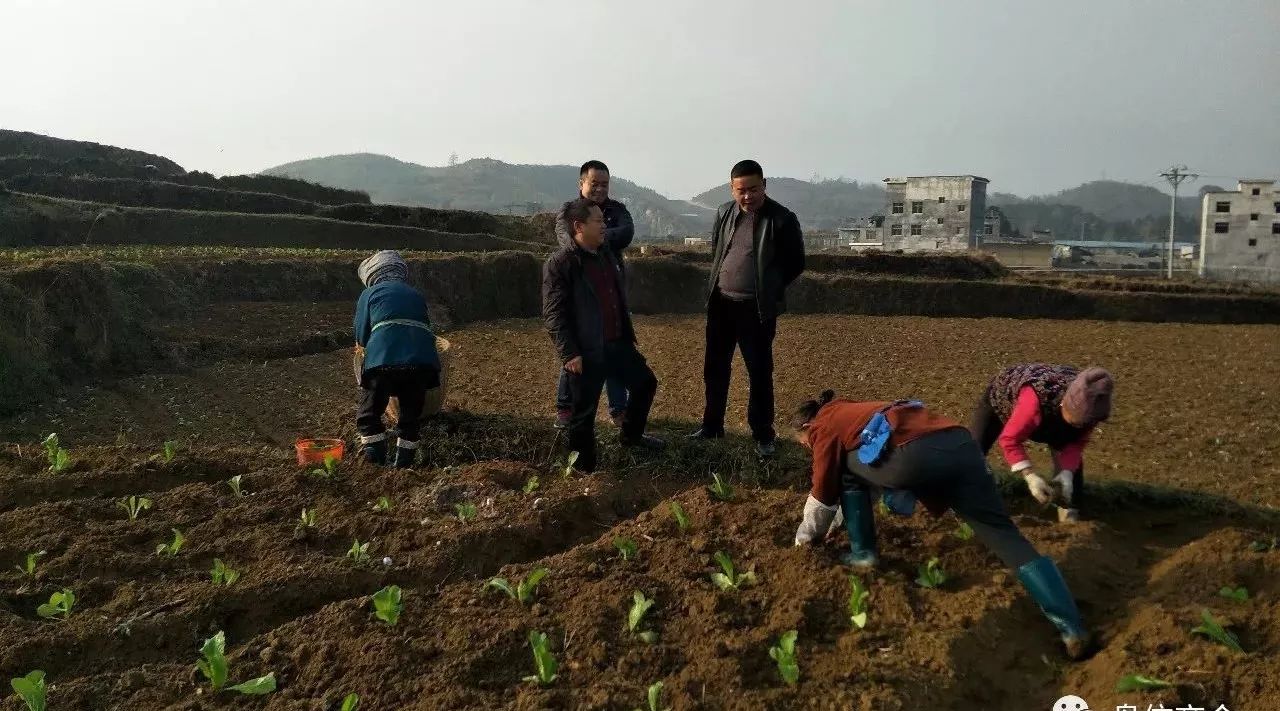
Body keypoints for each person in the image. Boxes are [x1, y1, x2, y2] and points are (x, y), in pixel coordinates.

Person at [791, 389, 1092, 659]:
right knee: (1004, 535)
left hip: (912, 457)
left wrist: (806, 537)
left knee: (842, 469)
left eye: (805, 444)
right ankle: (1071, 627)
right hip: (963, 446)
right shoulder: (857, 412)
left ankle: (863, 554)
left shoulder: (823, 426)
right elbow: (865, 473)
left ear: (807, 427)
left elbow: (824, 488)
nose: (810, 447)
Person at [689, 159, 805, 456]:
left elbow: (796, 263)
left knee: (759, 373)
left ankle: (763, 434)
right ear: (732, 189)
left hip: (755, 310)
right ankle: (712, 426)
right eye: (741, 190)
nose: (747, 196)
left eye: (753, 189)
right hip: (721, 304)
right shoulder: (724, 213)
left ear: (764, 185)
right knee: (715, 368)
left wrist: (767, 288)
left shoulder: (781, 219)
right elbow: (718, 250)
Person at [542, 198, 663, 472]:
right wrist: (569, 352)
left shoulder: (606, 253)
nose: (604, 226)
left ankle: (630, 437)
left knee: (645, 384)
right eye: (598, 221)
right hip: (587, 351)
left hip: (618, 343)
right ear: (578, 226)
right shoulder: (561, 264)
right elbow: (553, 314)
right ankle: (583, 471)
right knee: (583, 415)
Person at [970, 364, 1115, 523]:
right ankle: (961, 501)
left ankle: (1069, 517)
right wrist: (1029, 475)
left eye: (1082, 424)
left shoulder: (1092, 409)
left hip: (1053, 415)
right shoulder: (1033, 402)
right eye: (1074, 421)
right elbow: (1010, 439)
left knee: (1072, 476)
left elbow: (1076, 443)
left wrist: (1067, 472)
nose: (1076, 428)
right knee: (971, 451)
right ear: (1064, 404)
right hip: (1002, 396)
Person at [552, 160, 635, 430]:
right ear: (581, 184)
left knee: (615, 347)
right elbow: (567, 239)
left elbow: (626, 233)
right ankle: (566, 407)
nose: (600, 189)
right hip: (582, 292)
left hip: (611, 290)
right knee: (577, 349)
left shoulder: (617, 210)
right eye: (594, 183)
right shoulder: (568, 210)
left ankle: (618, 409)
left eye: (604, 184)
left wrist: (594, 234)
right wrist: (598, 237)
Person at [353, 250, 441, 468]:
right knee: (410, 418)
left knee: (369, 415)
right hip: (421, 363)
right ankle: (403, 467)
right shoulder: (415, 294)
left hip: (384, 358)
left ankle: (377, 467)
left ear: (372, 276)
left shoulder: (370, 294)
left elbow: (361, 335)